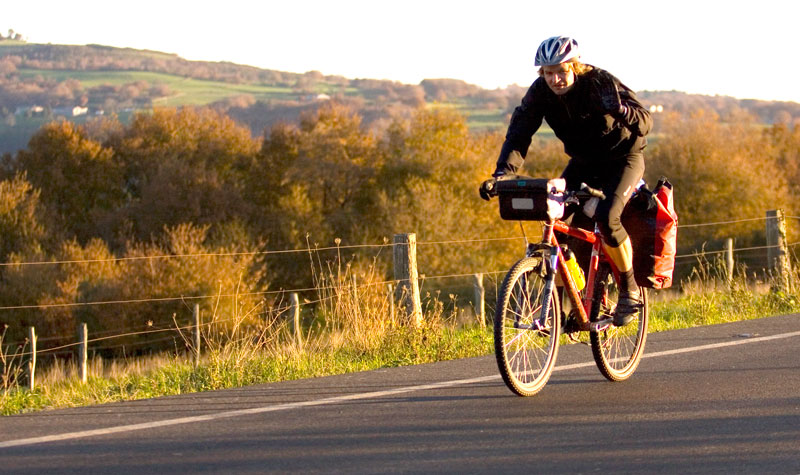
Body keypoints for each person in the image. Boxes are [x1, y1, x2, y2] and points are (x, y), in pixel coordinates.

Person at [479, 35, 652, 326]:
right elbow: (519, 133)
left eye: (561, 70)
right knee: (553, 222)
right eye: (548, 73)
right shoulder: (540, 93)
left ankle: (629, 288)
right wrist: (502, 174)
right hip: (583, 163)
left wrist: (620, 110)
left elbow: (645, 121)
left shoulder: (599, 82)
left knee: (608, 219)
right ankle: (571, 300)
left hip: (623, 159)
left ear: (575, 66)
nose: (555, 79)